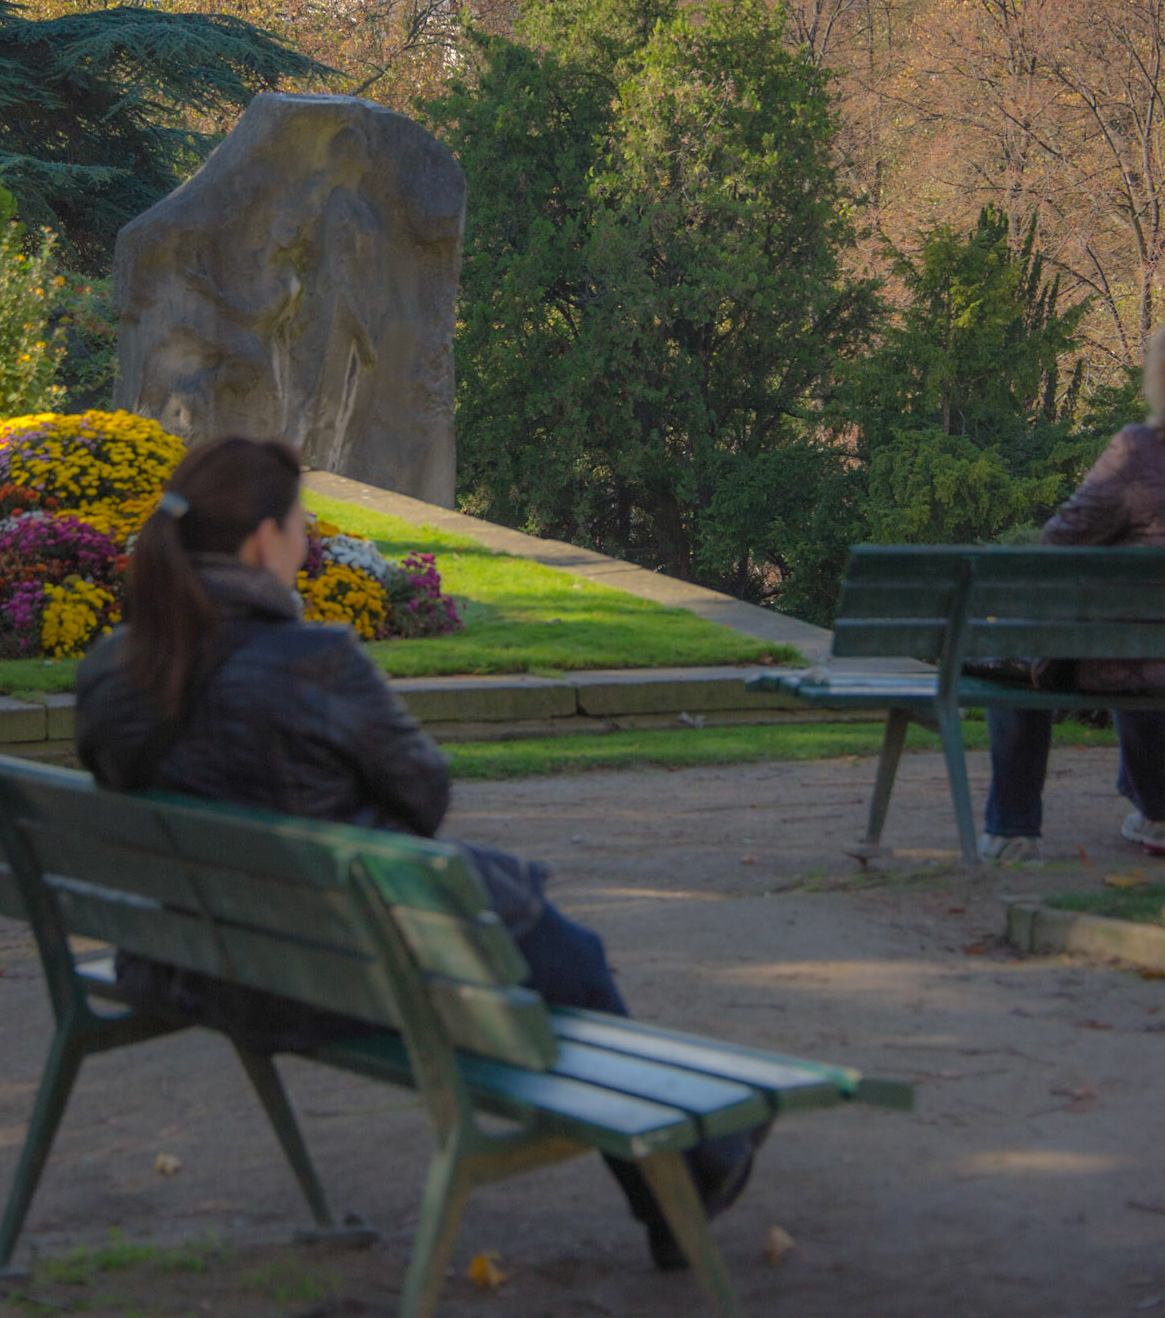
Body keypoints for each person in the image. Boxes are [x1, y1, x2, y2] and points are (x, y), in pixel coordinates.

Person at [75, 435, 766, 1273]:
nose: (308, 542)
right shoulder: (312, 661)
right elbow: (425, 796)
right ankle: (685, 1176)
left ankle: (687, 1170)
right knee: (566, 961)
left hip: (192, 961)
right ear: (263, 539)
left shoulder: (113, 669)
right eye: (301, 524)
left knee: (550, 954)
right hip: (335, 971)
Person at [980, 327, 1165, 862]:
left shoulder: (1139, 452)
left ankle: (1013, 828)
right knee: (1142, 655)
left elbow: (1059, 541)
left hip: (1131, 652)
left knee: (1017, 657)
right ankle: (1156, 810)